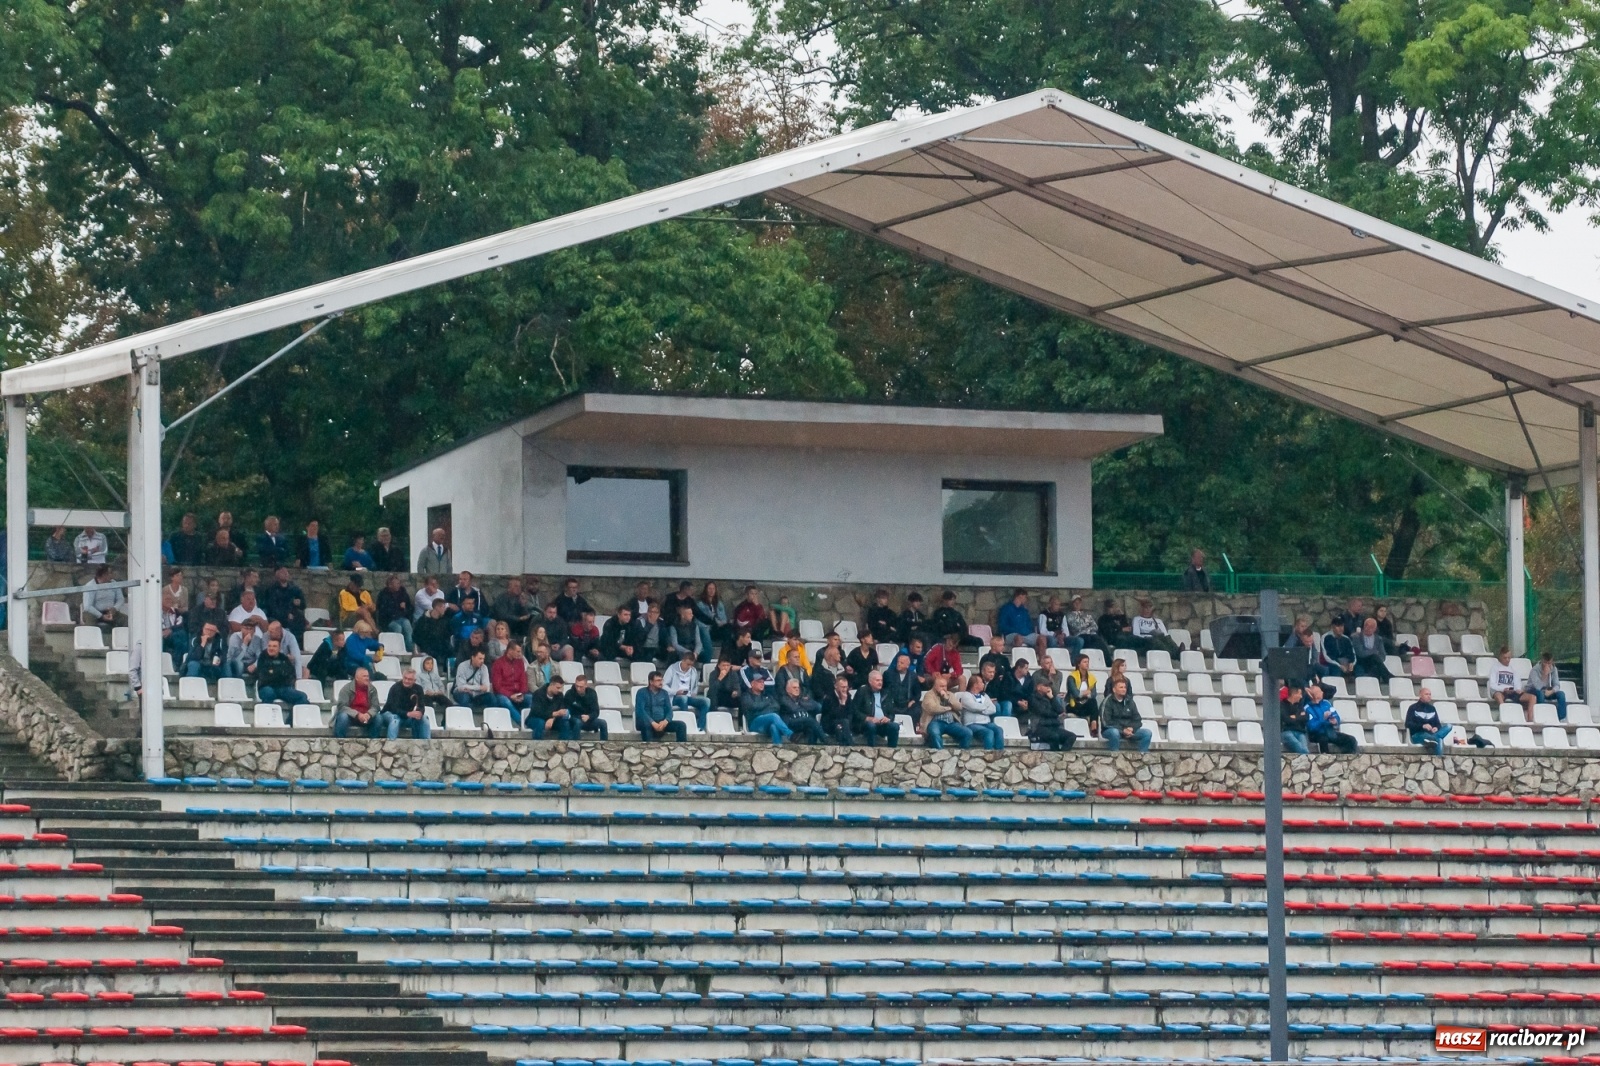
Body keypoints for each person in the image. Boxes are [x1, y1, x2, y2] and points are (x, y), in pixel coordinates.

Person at [333, 668, 395, 738]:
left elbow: (376, 706)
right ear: (357, 678)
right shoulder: (346, 689)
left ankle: (373, 743)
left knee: (378, 718)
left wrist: (369, 714)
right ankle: (340, 742)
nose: (367, 678)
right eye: (364, 676)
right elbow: (342, 706)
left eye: (368, 676)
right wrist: (357, 714)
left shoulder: (372, 689)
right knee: (343, 717)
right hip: (351, 717)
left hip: (366, 717)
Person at [847, 669, 901, 748]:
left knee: (894, 726)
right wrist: (867, 718)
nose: (880, 682)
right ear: (870, 681)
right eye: (877, 680)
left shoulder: (886, 693)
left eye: (881, 680)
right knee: (871, 726)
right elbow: (854, 710)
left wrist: (888, 718)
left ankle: (892, 750)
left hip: (882, 723)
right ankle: (872, 751)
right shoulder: (862, 691)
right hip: (865, 725)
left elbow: (892, 712)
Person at [1021, 673, 1074, 750]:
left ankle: (1062, 756)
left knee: (1071, 736)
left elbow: (1060, 710)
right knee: (1054, 736)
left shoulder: (1050, 698)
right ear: (1038, 687)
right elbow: (1043, 711)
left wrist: (1052, 698)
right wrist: (1055, 714)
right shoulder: (1032, 698)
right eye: (1045, 686)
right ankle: (1056, 756)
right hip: (1039, 727)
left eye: (1049, 686)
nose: (1048, 688)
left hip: (1053, 726)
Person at [919, 674, 971, 750]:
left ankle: (961, 754)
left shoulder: (950, 694)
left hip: (951, 723)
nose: (944, 688)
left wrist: (946, 698)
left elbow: (959, 707)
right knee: (934, 733)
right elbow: (932, 709)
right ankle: (941, 755)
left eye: (945, 686)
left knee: (968, 732)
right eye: (941, 686)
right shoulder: (929, 695)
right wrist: (948, 708)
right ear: (935, 686)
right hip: (935, 722)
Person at [1100, 677, 1152, 752]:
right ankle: (1115, 756)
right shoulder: (1107, 702)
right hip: (1111, 730)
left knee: (1147, 733)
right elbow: (1106, 722)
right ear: (1114, 690)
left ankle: (1142, 756)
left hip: (1128, 730)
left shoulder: (1130, 701)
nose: (1124, 689)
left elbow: (1137, 720)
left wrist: (1132, 728)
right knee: (1114, 732)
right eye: (1121, 687)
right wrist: (1122, 730)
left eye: (1125, 687)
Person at [663, 648, 711, 729]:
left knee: (706, 701)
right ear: (683, 660)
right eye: (687, 664)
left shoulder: (693, 671)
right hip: (674, 696)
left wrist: (694, 692)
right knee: (683, 698)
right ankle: (687, 725)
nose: (689, 667)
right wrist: (675, 692)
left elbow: (695, 685)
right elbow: (663, 685)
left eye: (691, 665)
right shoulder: (672, 668)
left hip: (689, 696)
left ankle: (700, 727)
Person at [1304, 682, 1358, 753]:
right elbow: (1312, 727)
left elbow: (1336, 715)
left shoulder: (1326, 703)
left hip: (1330, 732)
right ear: (1314, 695)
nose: (1322, 692)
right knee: (1323, 739)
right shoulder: (1307, 708)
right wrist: (1323, 719)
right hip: (1317, 734)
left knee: (1351, 740)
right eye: (1320, 692)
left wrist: (1335, 721)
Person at [490, 641, 534, 725]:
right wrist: (510, 695)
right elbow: (497, 686)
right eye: (518, 651)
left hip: (518, 693)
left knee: (532, 699)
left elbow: (523, 680)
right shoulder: (498, 664)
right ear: (510, 651)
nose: (520, 654)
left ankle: (530, 721)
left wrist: (521, 693)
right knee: (505, 701)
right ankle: (522, 723)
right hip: (503, 694)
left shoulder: (520, 662)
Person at [255, 636, 307, 708]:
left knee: (302, 697)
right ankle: (266, 718)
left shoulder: (284, 658)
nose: (271, 648)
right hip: (266, 687)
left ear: (279, 648)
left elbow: (290, 674)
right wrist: (280, 673)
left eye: (274, 646)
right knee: (269, 693)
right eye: (269, 646)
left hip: (283, 688)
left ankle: (291, 719)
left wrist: (274, 672)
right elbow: (263, 676)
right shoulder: (262, 658)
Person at [635, 671, 687, 742]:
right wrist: (653, 723)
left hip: (661, 723)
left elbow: (669, 711)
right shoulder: (641, 692)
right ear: (651, 682)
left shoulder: (664, 693)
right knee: (645, 724)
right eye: (658, 680)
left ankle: (682, 750)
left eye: (661, 680)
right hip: (647, 723)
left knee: (681, 725)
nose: (661, 682)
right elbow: (640, 711)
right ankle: (648, 750)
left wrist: (665, 721)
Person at [956, 675, 1004, 750]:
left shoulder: (985, 696)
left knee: (999, 729)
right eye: (981, 682)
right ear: (975, 685)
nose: (983, 684)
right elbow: (974, 707)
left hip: (986, 723)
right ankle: (988, 754)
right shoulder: (966, 695)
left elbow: (993, 709)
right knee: (989, 732)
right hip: (972, 724)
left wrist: (980, 709)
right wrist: (986, 706)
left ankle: (999, 753)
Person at [383, 667, 432, 739]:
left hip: (409, 717)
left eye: (409, 679)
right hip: (392, 714)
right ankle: (391, 744)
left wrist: (419, 713)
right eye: (405, 678)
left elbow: (421, 706)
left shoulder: (419, 689)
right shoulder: (395, 688)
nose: (406, 681)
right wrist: (407, 714)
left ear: (414, 680)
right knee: (395, 719)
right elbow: (393, 708)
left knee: (424, 719)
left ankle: (426, 745)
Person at [740, 674, 789, 744]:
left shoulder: (767, 696)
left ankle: (778, 748)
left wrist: (761, 710)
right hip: (754, 724)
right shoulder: (746, 696)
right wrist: (767, 705)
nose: (762, 684)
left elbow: (776, 707)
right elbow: (753, 706)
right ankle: (789, 734)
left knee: (774, 726)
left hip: (766, 724)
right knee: (773, 716)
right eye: (759, 682)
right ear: (752, 684)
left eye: (763, 682)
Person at [260, 567, 307, 639]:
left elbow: (303, 605)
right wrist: (286, 615)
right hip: (277, 617)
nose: (286, 574)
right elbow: (272, 607)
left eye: (287, 572)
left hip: (293, 617)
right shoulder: (271, 590)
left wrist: (299, 603)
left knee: (299, 618)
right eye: (283, 572)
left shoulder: (294, 589)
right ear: (277, 574)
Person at [1487, 647, 1536, 716]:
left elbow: (1517, 682)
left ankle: (1530, 721)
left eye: (1509, 658)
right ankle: (1505, 715)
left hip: (1512, 692)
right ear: (1500, 657)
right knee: (1498, 695)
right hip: (1501, 691)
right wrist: (1503, 689)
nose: (1507, 660)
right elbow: (1492, 685)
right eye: (1505, 658)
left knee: (1532, 698)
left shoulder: (1512, 668)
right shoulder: (1495, 668)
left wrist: (1517, 689)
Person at [776, 676, 825, 744]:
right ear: (788, 689)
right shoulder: (783, 699)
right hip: (791, 722)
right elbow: (793, 708)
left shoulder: (801, 699)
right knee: (810, 720)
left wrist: (801, 703)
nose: (797, 689)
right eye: (794, 687)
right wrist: (803, 704)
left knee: (811, 729)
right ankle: (825, 740)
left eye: (798, 687)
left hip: (803, 722)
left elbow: (815, 706)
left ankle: (812, 749)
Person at [1063, 653, 1100, 737]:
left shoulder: (1091, 677)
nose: (1087, 664)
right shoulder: (1072, 677)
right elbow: (1075, 694)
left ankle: (1094, 727)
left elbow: (1094, 694)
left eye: (1088, 662)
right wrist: (1086, 692)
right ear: (1079, 664)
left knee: (1093, 701)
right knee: (1092, 703)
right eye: (1084, 662)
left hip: (1085, 704)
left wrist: (1083, 693)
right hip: (1073, 705)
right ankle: (1094, 727)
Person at [1405, 687, 1448, 755]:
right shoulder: (1413, 708)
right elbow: (1408, 724)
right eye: (1426, 694)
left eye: (1430, 694)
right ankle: (1440, 760)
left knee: (1448, 726)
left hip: (1431, 733)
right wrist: (1422, 726)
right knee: (1439, 739)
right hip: (1417, 734)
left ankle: (1433, 738)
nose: (1429, 696)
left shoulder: (1432, 708)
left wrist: (1436, 728)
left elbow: (1438, 724)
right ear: (1420, 695)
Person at [493, 577, 537, 643]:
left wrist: (523, 605)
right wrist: (518, 618)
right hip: (504, 622)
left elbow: (525, 615)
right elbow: (502, 615)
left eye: (519, 586)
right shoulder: (502, 598)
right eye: (516, 586)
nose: (518, 588)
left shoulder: (518, 598)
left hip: (517, 624)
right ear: (509, 588)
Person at [81, 565, 126, 630]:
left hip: (110, 612)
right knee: (90, 623)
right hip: (94, 613)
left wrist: (115, 608)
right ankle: (92, 638)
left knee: (126, 621)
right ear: (103, 575)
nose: (112, 575)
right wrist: (101, 616)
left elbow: (120, 599)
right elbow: (87, 606)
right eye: (110, 573)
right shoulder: (90, 586)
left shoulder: (114, 583)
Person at [1525, 651, 1567, 720]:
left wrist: (1552, 691)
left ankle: (1561, 718)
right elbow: (1538, 686)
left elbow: (1557, 685)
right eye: (1545, 663)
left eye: (1549, 663)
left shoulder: (1554, 669)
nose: (1547, 665)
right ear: (1542, 661)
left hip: (1547, 690)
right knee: (1540, 694)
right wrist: (1545, 675)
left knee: (1561, 694)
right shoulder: (1535, 670)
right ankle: (1542, 715)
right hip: (1532, 690)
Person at [377, 574, 414, 651]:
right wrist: (398, 607)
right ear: (390, 585)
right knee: (397, 628)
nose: (398, 585)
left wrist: (405, 608)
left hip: (402, 617)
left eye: (399, 583)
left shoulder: (403, 593)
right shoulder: (383, 595)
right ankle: (397, 649)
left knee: (407, 625)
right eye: (396, 583)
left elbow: (410, 607)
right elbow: (383, 610)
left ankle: (410, 649)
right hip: (389, 620)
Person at [412, 600, 454, 666]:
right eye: (443, 607)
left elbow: (449, 634)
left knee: (451, 652)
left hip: (442, 646)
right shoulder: (423, 621)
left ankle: (447, 672)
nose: (445, 609)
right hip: (427, 646)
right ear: (437, 607)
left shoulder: (445, 620)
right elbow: (416, 636)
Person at [566, 674, 608, 739]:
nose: (578, 689)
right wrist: (579, 717)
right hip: (575, 719)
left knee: (603, 723)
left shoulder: (592, 693)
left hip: (589, 719)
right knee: (577, 722)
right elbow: (568, 710)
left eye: (581, 686)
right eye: (577, 686)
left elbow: (596, 711)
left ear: (586, 685)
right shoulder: (569, 694)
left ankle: (605, 744)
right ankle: (574, 744)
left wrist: (589, 716)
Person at [1319, 617, 1356, 687]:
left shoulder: (1346, 639)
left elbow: (1352, 653)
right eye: (1338, 626)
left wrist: (1352, 663)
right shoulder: (1325, 637)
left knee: (1359, 670)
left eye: (1342, 626)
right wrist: (1339, 665)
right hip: (1332, 662)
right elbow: (1326, 656)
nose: (1341, 628)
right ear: (1333, 627)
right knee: (1336, 669)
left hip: (1346, 662)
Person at [818, 674, 855, 745]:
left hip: (844, 723)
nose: (845, 689)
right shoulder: (828, 698)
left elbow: (850, 712)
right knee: (843, 724)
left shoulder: (848, 696)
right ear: (836, 686)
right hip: (829, 723)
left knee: (844, 723)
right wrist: (843, 703)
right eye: (842, 687)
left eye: (846, 687)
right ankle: (851, 745)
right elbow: (833, 715)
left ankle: (848, 746)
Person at [883, 652, 920, 721]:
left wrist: (913, 701)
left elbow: (917, 693)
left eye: (902, 663)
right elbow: (883, 690)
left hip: (907, 705)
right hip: (892, 704)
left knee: (916, 709)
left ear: (907, 666)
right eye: (898, 662)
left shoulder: (913, 676)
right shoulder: (888, 674)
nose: (898, 664)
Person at [707, 657, 744, 724]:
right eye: (723, 665)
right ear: (719, 666)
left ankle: (741, 724)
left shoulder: (733, 674)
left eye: (728, 665)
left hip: (729, 697)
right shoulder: (713, 674)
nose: (726, 667)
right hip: (718, 697)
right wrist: (720, 678)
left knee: (742, 699)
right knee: (712, 695)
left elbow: (737, 688)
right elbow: (712, 689)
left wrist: (736, 693)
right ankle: (713, 720)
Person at [1279, 682, 1310, 754]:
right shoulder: (1282, 705)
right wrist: (1299, 717)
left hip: (1300, 732)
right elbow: (1286, 719)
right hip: (1286, 731)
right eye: (1300, 694)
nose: (1301, 696)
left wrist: (1295, 717)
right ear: (1294, 694)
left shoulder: (1299, 706)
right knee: (1301, 749)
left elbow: (1306, 718)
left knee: (1303, 748)